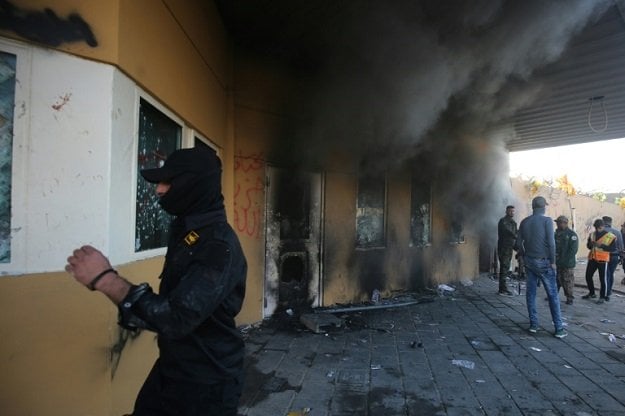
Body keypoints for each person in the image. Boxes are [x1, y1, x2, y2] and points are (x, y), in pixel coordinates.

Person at [65, 147, 247, 415]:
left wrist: (105, 279)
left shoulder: (217, 246)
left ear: (193, 184)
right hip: (174, 368)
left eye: (167, 182)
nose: (159, 190)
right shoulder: (189, 231)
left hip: (205, 383)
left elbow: (176, 318)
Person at [516, 196, 567, 338]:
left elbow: (518, 243)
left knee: (530, 294)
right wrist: (553, 261)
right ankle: (559, 329)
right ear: (543, 207)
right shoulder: (547, 221)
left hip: (529, 261)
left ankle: (533, 325)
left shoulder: (524, 222)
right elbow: (552, 243)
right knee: (552, 295)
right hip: (544, 261)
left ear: (533, 207)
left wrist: (524, 256)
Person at [583, 218, 616, 304]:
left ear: (603, 226)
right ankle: (592, 292)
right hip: (593, 258)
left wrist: (602, 246)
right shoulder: (592, 234)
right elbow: (589, 246)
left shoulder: (610, 236)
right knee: (588, 276)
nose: (598, 230)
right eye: (596, 228)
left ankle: (602, 297)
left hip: (603, 260)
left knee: (603, 279)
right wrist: (590, 244)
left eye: (599, 228)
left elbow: (613, 249)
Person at [554, 215, 578, 305]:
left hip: (567, 263)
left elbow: (573, 250)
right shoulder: (556, 233)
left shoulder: (572, 235)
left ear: (564, 223)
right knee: (556, 280)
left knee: (567, 281)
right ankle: (553, 296)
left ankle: (569, 298)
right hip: (557, 262)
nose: (557, 224)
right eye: (557, 223)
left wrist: (564, 260)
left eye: (559, 223)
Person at [497, 205, 517, 296]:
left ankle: (503, 287)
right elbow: (509, 232)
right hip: (503, 247)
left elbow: (516, 233)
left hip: (509, 247)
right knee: (504, 267)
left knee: (506, 266)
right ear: (506, 211)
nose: (512, 213)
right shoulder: (503, 221)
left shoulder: (513, 222)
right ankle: (502, 288)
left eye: (513, 211)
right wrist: (517, 236)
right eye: (510, 211)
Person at [601, 216, 623, 298]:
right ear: (610, 222)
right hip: (615, 256)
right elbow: (621, 247)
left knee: (606, 275)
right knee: (611, 273)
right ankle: (609, 291)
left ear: (603, 222)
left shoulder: (602, 232)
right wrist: (621, 258)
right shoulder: (617, 232)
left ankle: (605, 293)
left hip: (604, 256)